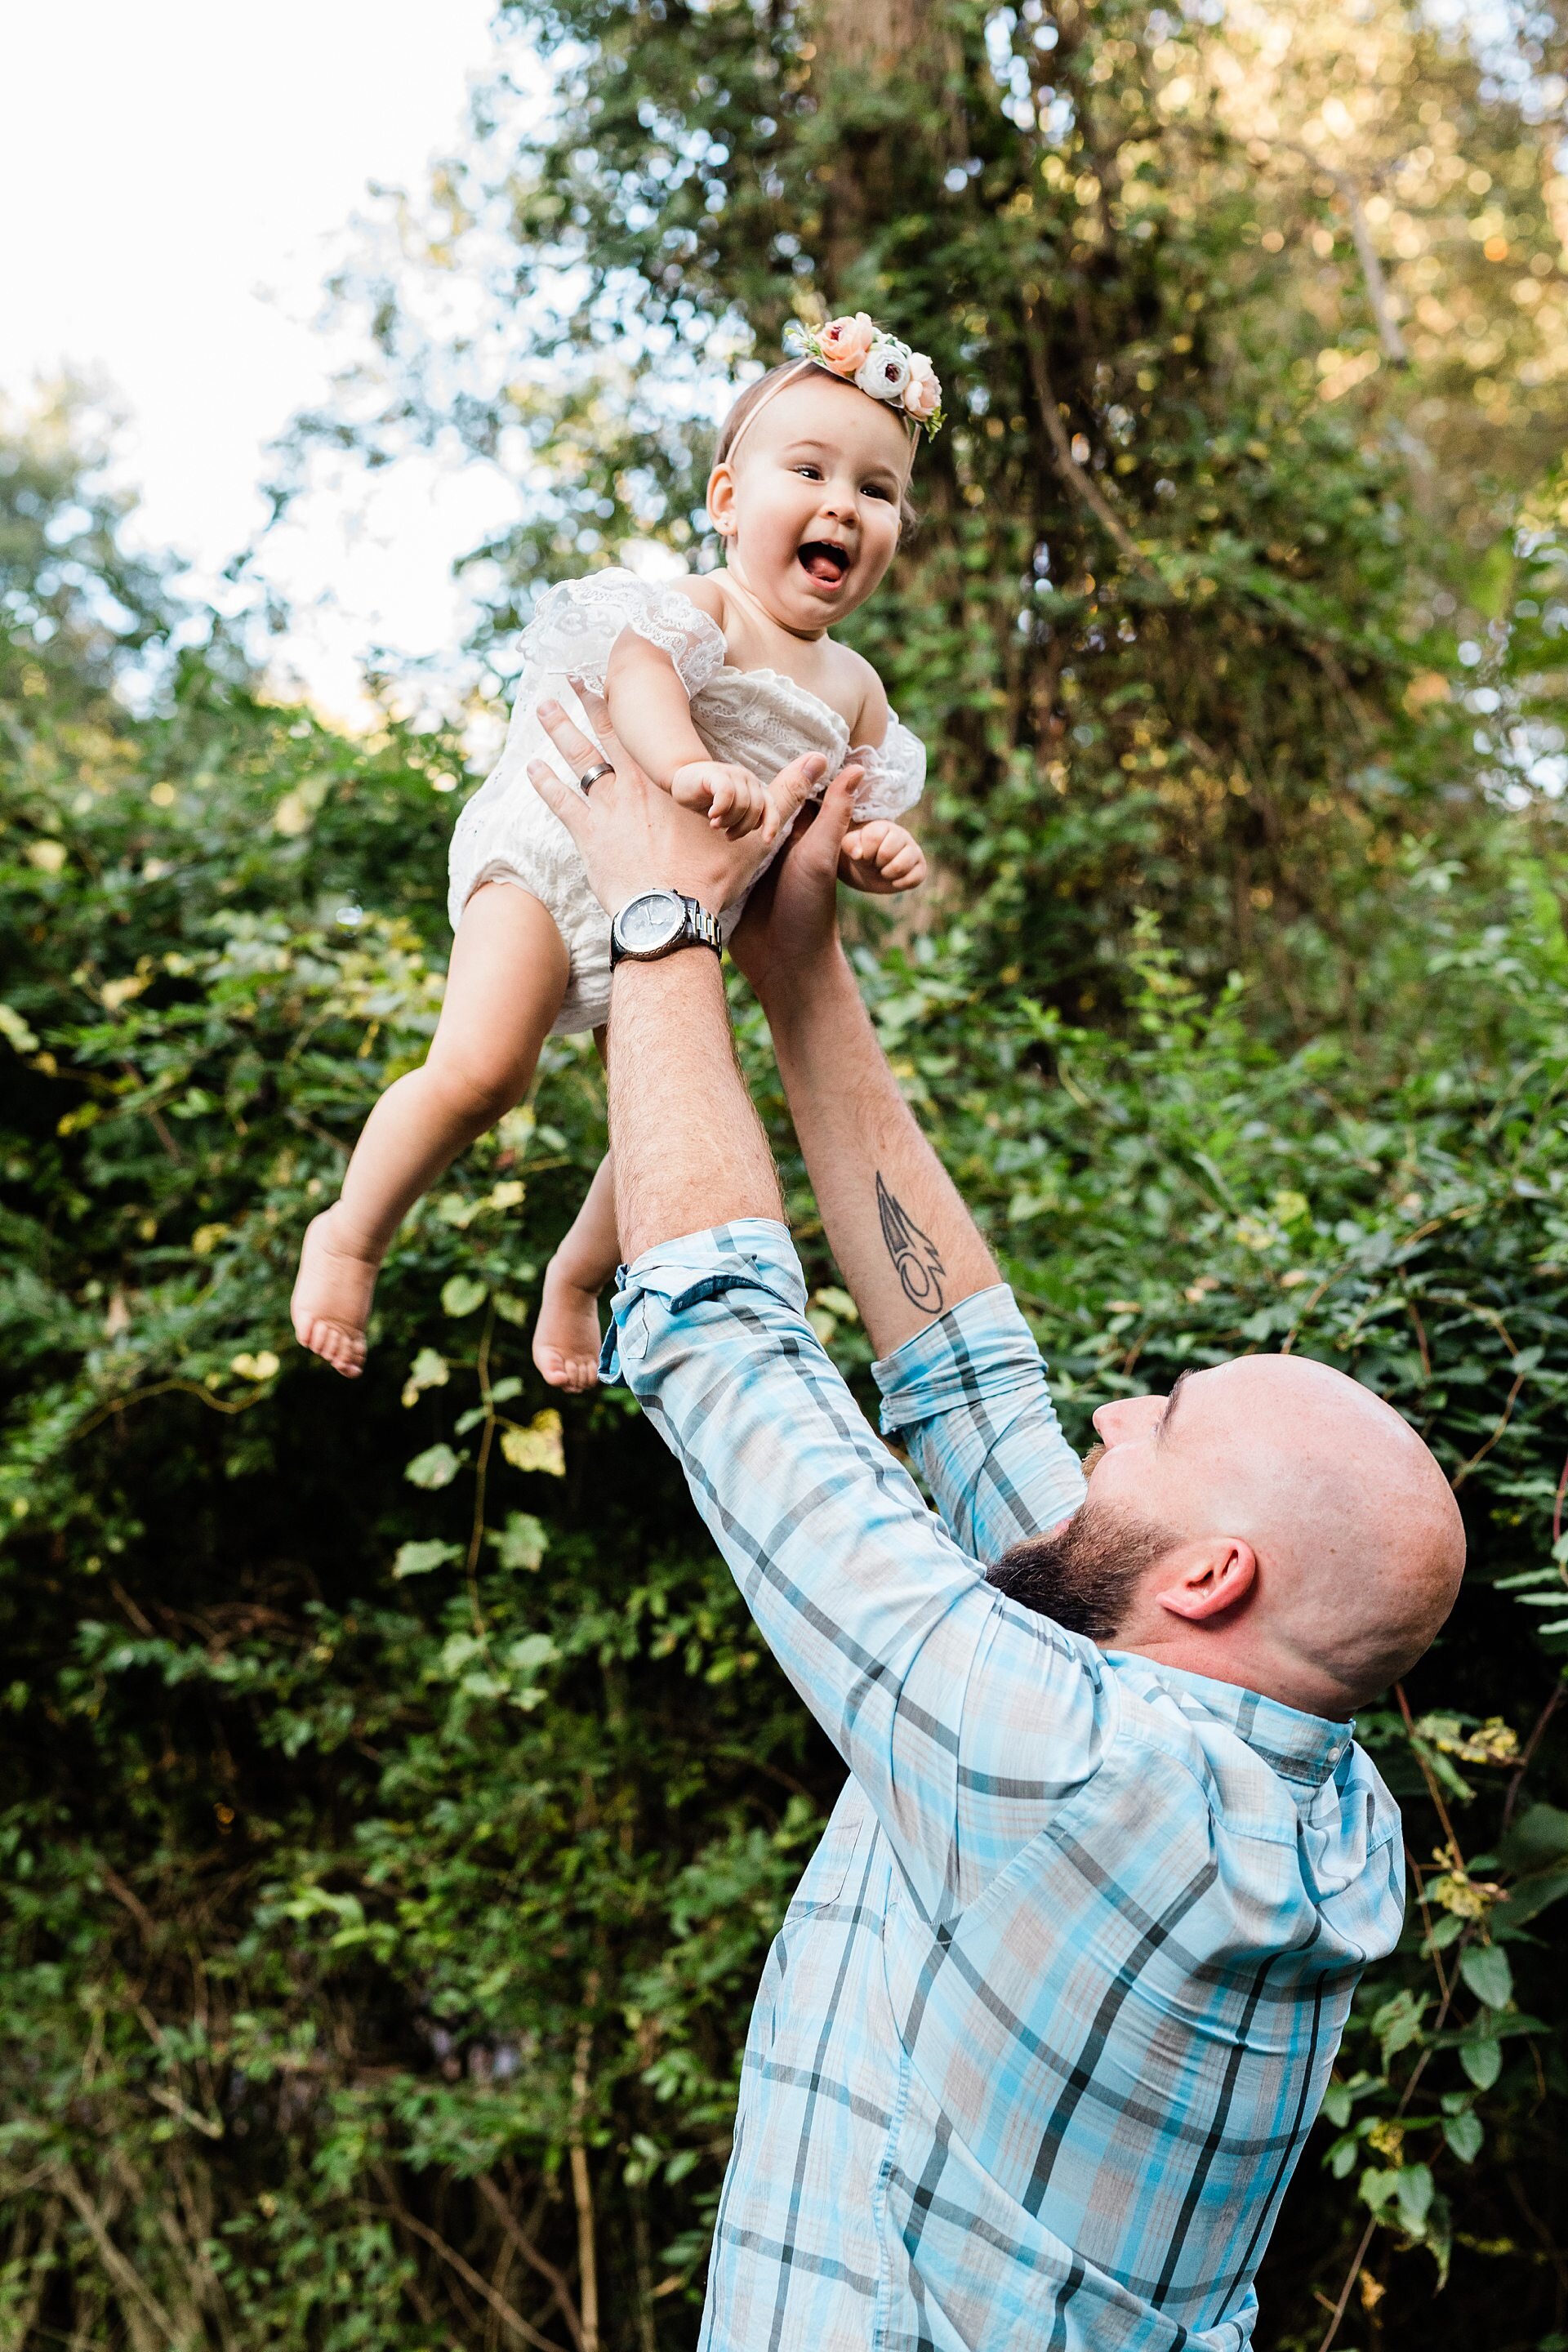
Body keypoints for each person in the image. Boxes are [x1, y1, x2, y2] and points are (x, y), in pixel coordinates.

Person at [520, 683, 1467, 2350]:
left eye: (1163, 1420)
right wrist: (804, 974)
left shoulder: (1074, 1770)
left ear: (1214, 1573)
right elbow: (969, 1383)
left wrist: (658, 923)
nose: (1109, 1417)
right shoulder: (1317, 1806)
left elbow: (727, 1353)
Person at [290, 315, 940, 1390]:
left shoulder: (859, 690)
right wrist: (687, 765)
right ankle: (351, 1236)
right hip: (554, 864)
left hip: (683, 917)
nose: (842, 505)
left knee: (670, 1118)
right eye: (810, 471)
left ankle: (578, 1278)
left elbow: (842, 811)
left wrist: (871, 848)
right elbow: (636, 675)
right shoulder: (702, 607)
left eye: (877, 491)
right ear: (727, 502)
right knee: (485, 1072)